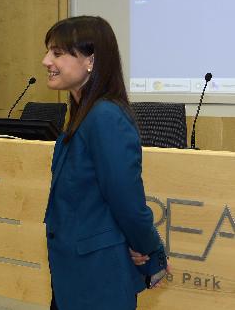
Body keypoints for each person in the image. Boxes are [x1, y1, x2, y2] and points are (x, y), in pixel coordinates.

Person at [42, 16, 167, 310]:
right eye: (48, 51)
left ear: (91, 61)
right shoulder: (83, 113)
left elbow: (126, 201)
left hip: (97, 275)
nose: (46, 60)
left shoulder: (105, 116)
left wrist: (150, 250)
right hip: (75, 272)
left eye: (57, 53)